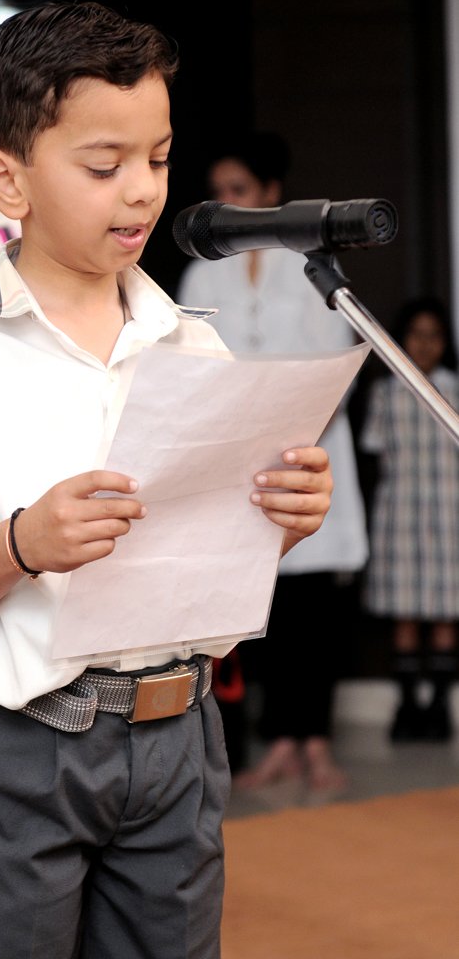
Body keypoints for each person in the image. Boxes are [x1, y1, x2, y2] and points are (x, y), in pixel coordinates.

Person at [0, 3, 334, 959]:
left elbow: (212, 545)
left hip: (182, 738)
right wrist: (21, 544)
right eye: (102, 165)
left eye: (157, 159)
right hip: (25, 747)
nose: (141, 191)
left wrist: (280, 521)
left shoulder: (192, 341)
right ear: (8, 179)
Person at [178, 132, 368, 791]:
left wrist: (286, 430)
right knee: (263, 608)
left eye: (238, 190)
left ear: (269, 193)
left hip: (308, 452)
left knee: (314, 610)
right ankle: (280, 740)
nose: (226, 201)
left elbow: (335, 363)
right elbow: (195, 363)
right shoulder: (203, 269)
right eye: (219, 191)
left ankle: (316, 742)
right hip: (238, 463)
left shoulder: (309, 261)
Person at [360, 295, 459, 742]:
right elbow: (374, 448)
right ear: (403, 339)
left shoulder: (455, 390)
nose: (425, 344)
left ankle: (437, 707)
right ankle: (407, 707)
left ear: (445, 342)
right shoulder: (386, 391)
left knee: (444, 613)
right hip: (399, 511)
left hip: (449, 511)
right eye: (417, 335)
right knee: (404, 613)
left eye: (434, 336)